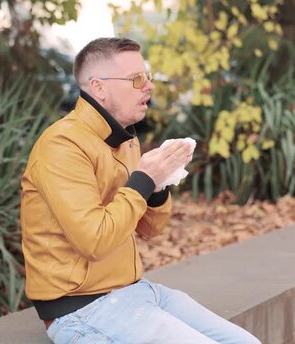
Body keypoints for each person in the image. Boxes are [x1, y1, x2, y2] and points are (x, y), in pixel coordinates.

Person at [19, 37, 261, 344]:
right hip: (82, 308)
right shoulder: (61, 145)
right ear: (99, 88)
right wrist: (143, 179)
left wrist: (157, 186)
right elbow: (94, 240)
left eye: (147, 77)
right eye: (136, 79)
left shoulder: (125, 139)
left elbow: (151, 229)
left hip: (135, 290)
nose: (148, 86)